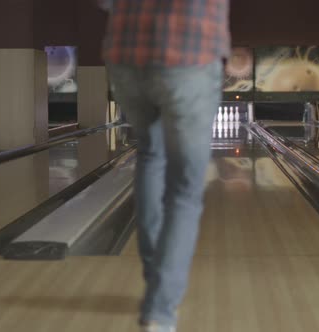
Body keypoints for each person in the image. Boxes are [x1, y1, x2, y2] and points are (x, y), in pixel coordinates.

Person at [101, 1, 230, 331]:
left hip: (126, 52)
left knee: (150, 154)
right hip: (190, 52)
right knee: (184, 189)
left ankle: (154, 274)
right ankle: (159, 311)